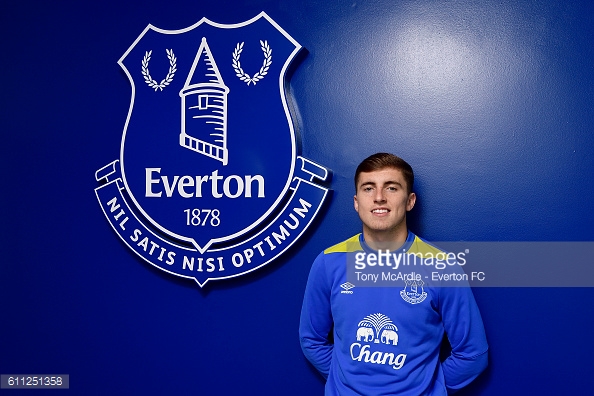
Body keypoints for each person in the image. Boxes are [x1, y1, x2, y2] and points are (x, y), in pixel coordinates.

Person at [299, 153, 488, 395]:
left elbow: (474, 354)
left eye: (391, 188)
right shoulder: (328, 263)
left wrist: (428, 388)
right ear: (356, 202)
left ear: (410, 201)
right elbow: (311, 340)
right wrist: (343, 380)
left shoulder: (442, 266)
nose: (379, 198)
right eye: (368, 188)